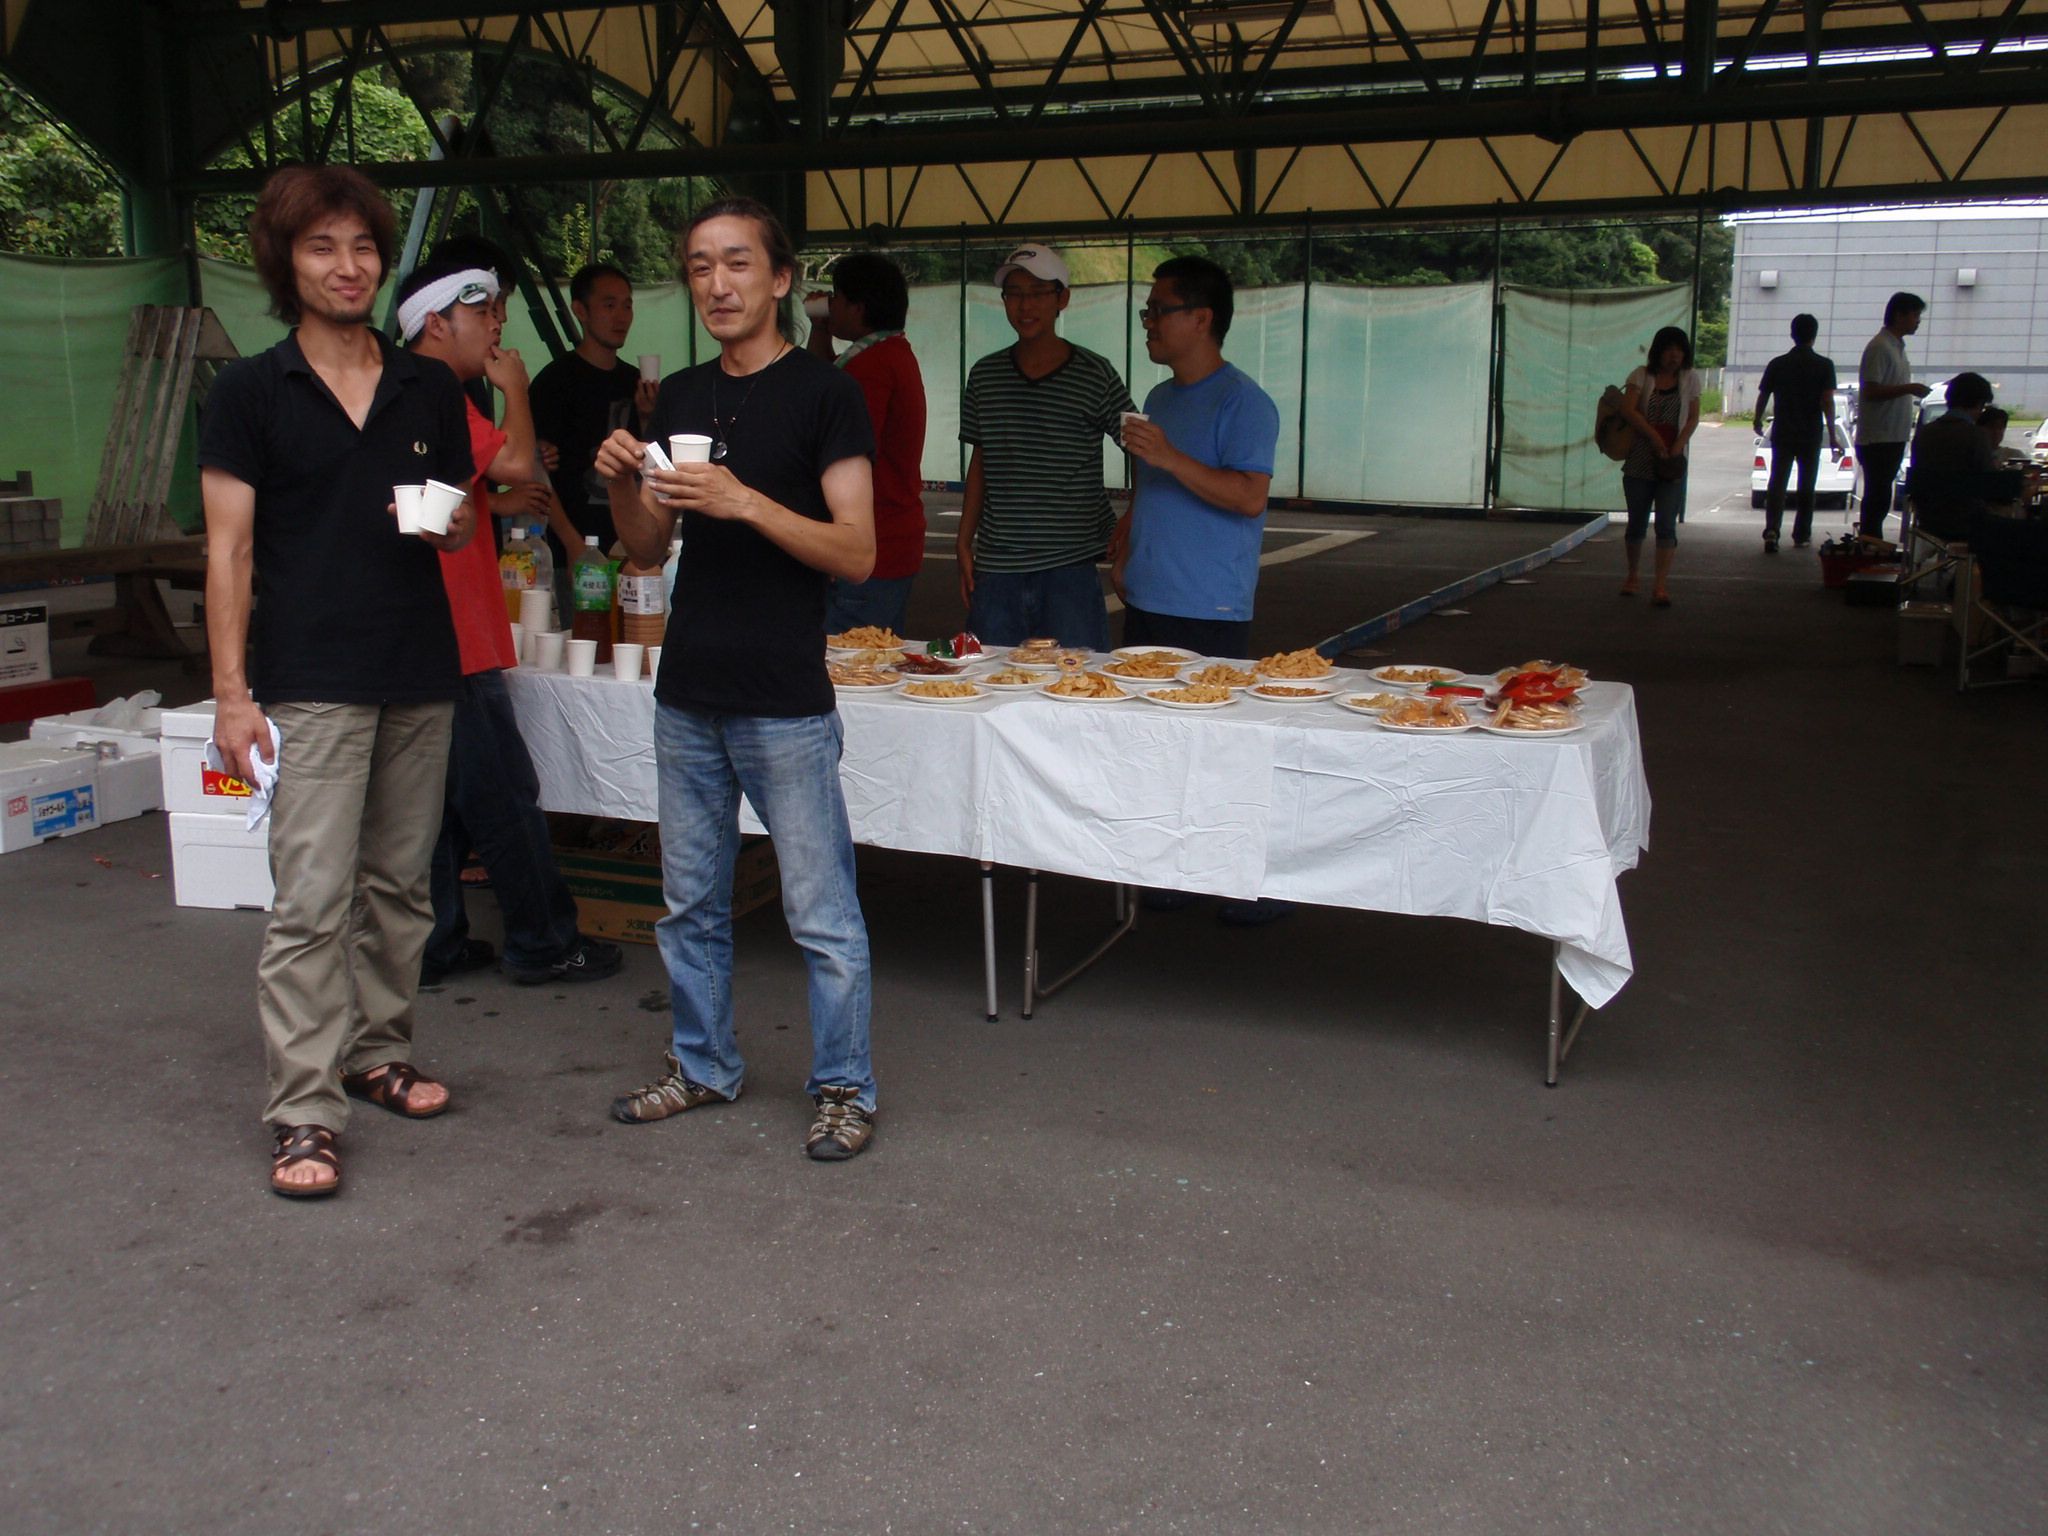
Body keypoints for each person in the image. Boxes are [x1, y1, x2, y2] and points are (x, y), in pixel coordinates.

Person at [197, 165, 477, 1199]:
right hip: (309, 677)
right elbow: (227, 552)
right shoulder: (248, 391)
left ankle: (377, 1050)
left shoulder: (428, 386)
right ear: (286, 263)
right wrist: (232, 696)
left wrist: (448, 522)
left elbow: (455, 520)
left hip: (417, 665)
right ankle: (303, 1109)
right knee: (311, 900)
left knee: (401, 886)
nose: (347, 266)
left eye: (362, 247)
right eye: (322, 247)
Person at [592, 196, 881, 1162]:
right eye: (700, 267)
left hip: (783, 698)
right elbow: (647, 547)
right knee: (689, 907)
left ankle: (844, 1088)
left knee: (821, 915)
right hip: (689, 690)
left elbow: (856, 551)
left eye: (738, 263)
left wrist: (744, 500)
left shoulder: (825, 395)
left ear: (782, 278)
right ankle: (703, 1065)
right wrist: (621, 481)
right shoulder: (678, 396)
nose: (717, 284)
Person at [398, 253, 625, 992]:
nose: (497, 325)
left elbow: (437, 502)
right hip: (453, 633)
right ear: (436, 324)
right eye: (483, 312)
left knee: (437, 801)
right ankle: (542, 940)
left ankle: (435, 942)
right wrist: (517, 393)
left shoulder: (399, 391)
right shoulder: (435, 392)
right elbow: (521, 464)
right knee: (502, 793)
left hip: (424, 629)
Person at [1113, 255, 1287, 926]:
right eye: (1149, 311)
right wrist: (1128, 539)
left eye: (1159, 310)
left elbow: (1248, 496)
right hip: (1150, 596)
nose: (1149, 323)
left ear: (1202, 318)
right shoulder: (1160, 399)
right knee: (1155, 746)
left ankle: (1245, 885)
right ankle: (1168, 873)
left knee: (1218, 751)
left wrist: (1169, 456)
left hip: (1208, 605)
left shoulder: (1245, 402)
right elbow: (1151, 485)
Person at [957, 242, 1134, 649]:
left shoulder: (1095, 373)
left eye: (1038, 293)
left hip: (1070, 568)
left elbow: (1140, 445)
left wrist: (1132, 515)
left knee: (1076, 678)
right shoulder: (984, 375)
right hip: (997, 566)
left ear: (1062, 299)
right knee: (991, 678)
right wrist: (964, 541)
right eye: (1014, 294)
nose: (1025, 305)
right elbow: (981, 460)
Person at [806, 251, 928, 635]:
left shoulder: (869, 368)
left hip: (871, 547)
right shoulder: (888, 353)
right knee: (874, 655)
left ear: (857, 308)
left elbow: (843, 451)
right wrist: (821, 327)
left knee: (849, 660)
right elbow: (823, 376)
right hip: (892, 543)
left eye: (836, 298)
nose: (831, 304)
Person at [530, 261, 656, 586]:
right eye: (609, 305)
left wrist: (647, 416)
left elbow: (651, 468)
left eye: (627, 305)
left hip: (629, 549)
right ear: (580, 310)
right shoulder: (554, 382)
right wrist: (573, 544)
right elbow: (537, 472)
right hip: (570, 550)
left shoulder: (635, 381)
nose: (621, 317)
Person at [1614, 325, 1702, 607]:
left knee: (1666, 524)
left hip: (1671, 463)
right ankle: (1632, 575)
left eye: (1679, 350)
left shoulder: (1690, 379)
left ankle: (1660, 585)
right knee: (1637, 522)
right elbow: (1628, 410)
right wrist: (1653, 436)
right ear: (1658, 351)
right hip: (1640, 460)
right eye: (1669, 349)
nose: (1674, 355)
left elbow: (1693, 418)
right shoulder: (1640, 375)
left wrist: (1677, 447)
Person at [1750, 313, 1837, 553]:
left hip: (1783, 431)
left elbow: (1764, 394)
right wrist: (1832, 434)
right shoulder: (1824, 365)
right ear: (1814, 335)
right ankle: (1801, 534)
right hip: (1810, 432)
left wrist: (1757, 419)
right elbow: (1827, 402)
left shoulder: (1778, 364)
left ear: (1792, 334)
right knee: (1806, 485)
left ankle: (1772, 531)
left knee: (1777, 482)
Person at [1904, 372, 2024, 542]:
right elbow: (1990, 483)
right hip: (1967, 521)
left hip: (1927, 519)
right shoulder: (1975, 435)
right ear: (1979, 403)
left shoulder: (1924, 433)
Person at [1855, 292, 1931, 539]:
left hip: (1892, 435)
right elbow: (1870, 390)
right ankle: (1869, 542)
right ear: (1899, 315)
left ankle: (1872, 542)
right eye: (1915, 315)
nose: (1918, 321)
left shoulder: (1896, 347)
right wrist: (1909, 388)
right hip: (1878, 437)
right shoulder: (1880, 347)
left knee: (1880, 495)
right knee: (1876, 496)